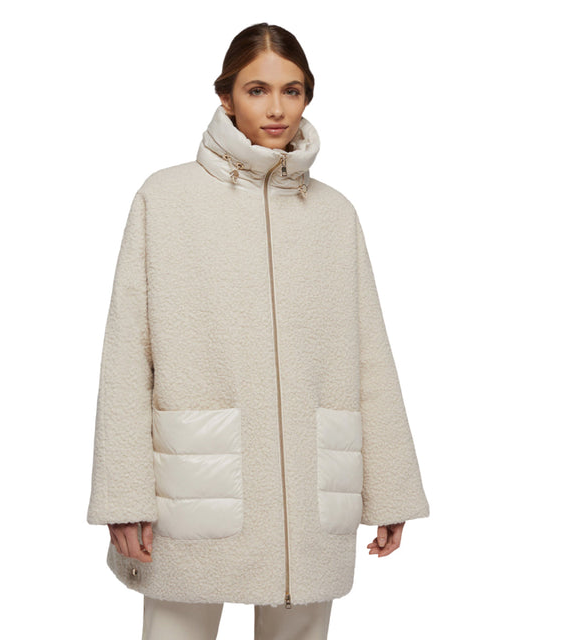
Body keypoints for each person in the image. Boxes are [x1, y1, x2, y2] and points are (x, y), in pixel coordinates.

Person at [87, 22, 430, 640]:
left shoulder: (334, 214)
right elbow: (126, 356)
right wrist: (123, 495)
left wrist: (391, 489)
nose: (276, 109)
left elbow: (370, 357)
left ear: (307, 97)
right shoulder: (165, 199)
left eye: (291, 91)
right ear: (226, 97)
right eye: (257, 90)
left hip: (312, 487)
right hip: (191, 487)